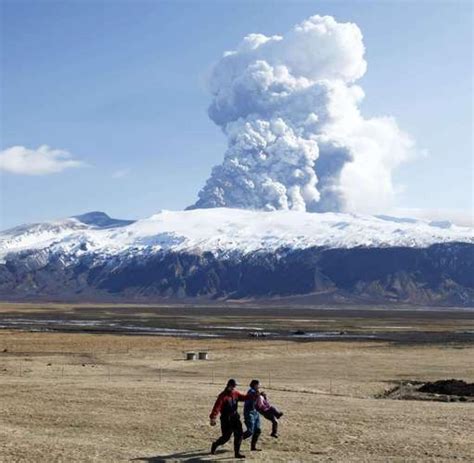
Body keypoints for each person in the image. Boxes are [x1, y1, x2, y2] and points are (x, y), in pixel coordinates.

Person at [209, 378, 254, 459]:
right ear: (228, 386)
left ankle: (237, 453)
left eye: (234, 386)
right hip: (226, 420)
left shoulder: (235, 393)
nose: (233, 388)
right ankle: (215, 444)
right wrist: (213, 417)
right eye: (232, 386)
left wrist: (254, 395)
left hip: (235, 418)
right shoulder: (222, 396)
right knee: (226, 438)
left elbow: (244, 397)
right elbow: (217, 407)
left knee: (239, 435)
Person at [242, 379, 262, 451]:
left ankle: (253, 447)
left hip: (256, 413)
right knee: (250, 431)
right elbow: (252, 397)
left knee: (258, 430)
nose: (260, 386)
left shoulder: (256, 392)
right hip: (249, 413)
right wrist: (257, 395)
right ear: (255, 385)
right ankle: (238, 439)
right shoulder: (251, 391)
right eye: (259, 384)